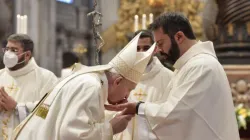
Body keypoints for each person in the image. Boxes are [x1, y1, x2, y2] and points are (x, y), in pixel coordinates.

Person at [105, 12, 240, 140]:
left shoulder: (201, 66)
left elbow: (175, 114)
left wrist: (137, 107)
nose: (158, 50)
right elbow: (168, 107)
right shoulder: (187, 67)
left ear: (179, 37)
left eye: (161, 43)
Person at [12, 32, 156, 140]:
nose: (126, 96)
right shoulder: (91, 86)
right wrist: (111, 128)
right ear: (117, 81)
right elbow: (71, 135)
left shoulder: (90, 80)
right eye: (129, 89)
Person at [113, 30, 173, 140]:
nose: (142, 52)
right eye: (137, 48)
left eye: (146, 48)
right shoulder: (120, 76)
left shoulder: (170, 78)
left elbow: (172, 114)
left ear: (155, 49)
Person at [0, 34, 58, 140]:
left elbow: (49, 111)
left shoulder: (46, 78)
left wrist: (17, 107)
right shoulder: (1, 75)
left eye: (14, 50)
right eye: (7, 49)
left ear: (27, 55)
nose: (8, 54)